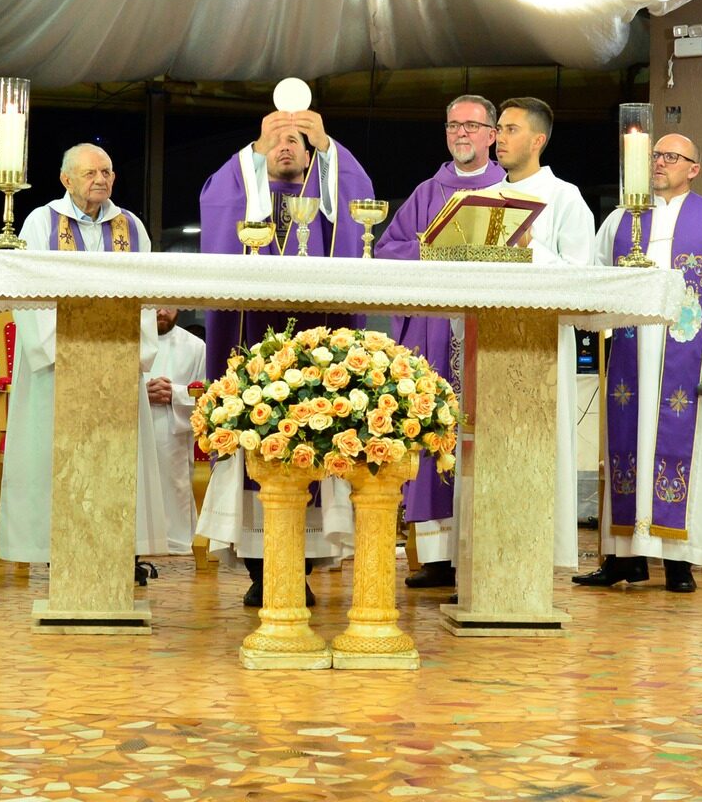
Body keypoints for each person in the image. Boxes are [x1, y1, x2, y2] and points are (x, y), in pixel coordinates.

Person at [195, 108, 373, 606]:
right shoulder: (243, 189)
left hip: (321, 337)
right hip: (251, 335)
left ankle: (304, 568)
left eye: (296, 140)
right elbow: (217, 200)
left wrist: (331, 146)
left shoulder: (326, 196)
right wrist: (250, 154)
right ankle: (260, 569)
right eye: (276, 142)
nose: (286, 148)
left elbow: (360, 203)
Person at [583, 133, 702, 593]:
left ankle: (678, 561)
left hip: (687, 361)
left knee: (682, 455)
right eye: (655, 155)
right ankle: (624, 557)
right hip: (629, 358)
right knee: (625, 452)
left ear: (693, 168)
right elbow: (594, 278)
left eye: (671, 157)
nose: (660, 162)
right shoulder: (622, 219)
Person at [0, 144, 156, 583]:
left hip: (117, 364)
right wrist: (57, 350)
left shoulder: (131, 227)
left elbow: (144, 292)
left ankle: (120, 548)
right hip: (56, 369)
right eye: (90, 173)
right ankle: (55, 548)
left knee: (116, 455)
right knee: (53, 458)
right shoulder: (40, 221)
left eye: (107, 171)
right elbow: (27, 291)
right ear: (66, 180)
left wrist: (134, 351)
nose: (101, 180)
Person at [373, 95, 503, 588]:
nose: (460, 134)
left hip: (484, 331)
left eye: (471, 125)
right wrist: (432, 248)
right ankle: (436, 557)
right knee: (434, 432)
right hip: (434, 329)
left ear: (492, 134)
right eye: (452, 125)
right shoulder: (428, 192)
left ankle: (488, 547)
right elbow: (387, 251)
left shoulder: (509, 190)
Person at [485, 97, 598, 573]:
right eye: (499, 129)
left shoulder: (566, 197)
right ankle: (488, 558)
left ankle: (533, 560)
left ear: (537, 140)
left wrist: (531, 249)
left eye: (510, 129)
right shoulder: (484, 199)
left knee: (538, 450)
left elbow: (581, 279)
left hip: (541, 346)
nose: (500, 138)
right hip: (489, 342)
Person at [139, 306, 205, 565]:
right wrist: (142, 391)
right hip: (134, 422)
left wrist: (174, 393)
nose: (162, 311)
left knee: (173, 477)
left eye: (169, 305)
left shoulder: (196, 346)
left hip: (174, 430)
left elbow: (207, 395)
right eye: (155, 305)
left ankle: (175, 537)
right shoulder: (127, 340)